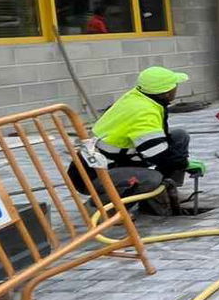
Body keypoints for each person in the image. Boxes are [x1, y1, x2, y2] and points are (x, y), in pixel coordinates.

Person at [80, 66, 201, 215]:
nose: (177, 89)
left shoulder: (140, 96)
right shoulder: (144, 112)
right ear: (167, 92)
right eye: (175, 86)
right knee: (152, 179)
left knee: (179, 137)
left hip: (113, 162)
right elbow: (158, 156)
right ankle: (100, 208)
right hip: (93, 174)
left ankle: (165, 192)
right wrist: (184, 163)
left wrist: (180, 161)